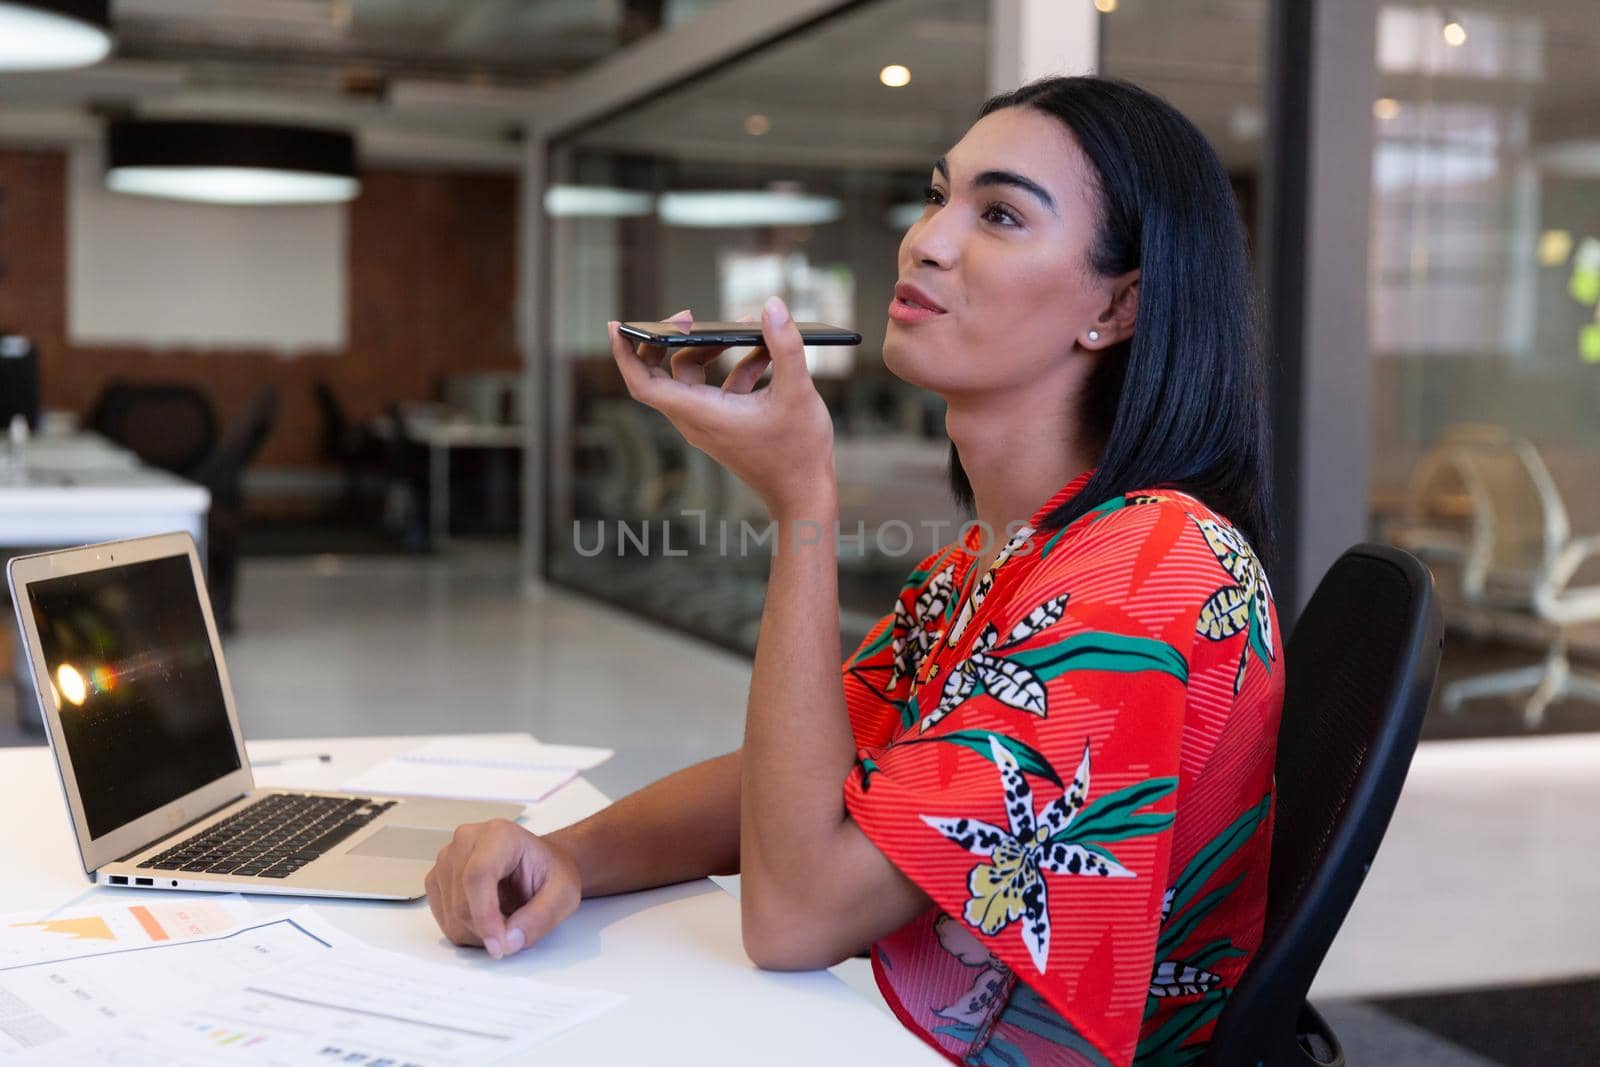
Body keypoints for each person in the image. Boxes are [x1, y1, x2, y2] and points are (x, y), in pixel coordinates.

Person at [425, 76, 1281, 1067]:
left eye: (998, 213)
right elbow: (805, 782)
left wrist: (803, 507)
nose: (925, 238)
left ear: (1118, 305)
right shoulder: (1002, 555)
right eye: (936, 194)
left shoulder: (1151, 567)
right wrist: (565, 855)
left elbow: (794, 915)